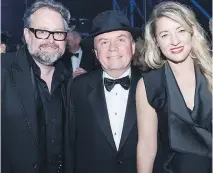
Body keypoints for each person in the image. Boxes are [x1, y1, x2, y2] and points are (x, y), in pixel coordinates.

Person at [136, 1, 212, 173]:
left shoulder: (211, 74)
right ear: (156, 41)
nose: (175, 41)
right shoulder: (148, 85)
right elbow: (147, 146)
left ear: (192, 32)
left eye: (181, 31)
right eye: (165, 35)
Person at [2, 1, 74, 173]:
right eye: (42, 32)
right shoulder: (2, 70)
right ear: (27, 35)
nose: (50, 40)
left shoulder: (70, 80)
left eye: (57, 33)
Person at [71, 10, 142, 173]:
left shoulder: (153, 86)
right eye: (104, 42)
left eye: (121, 40)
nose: (113, 48)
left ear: (132, 46)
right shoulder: (76, 88)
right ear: (96, 53)